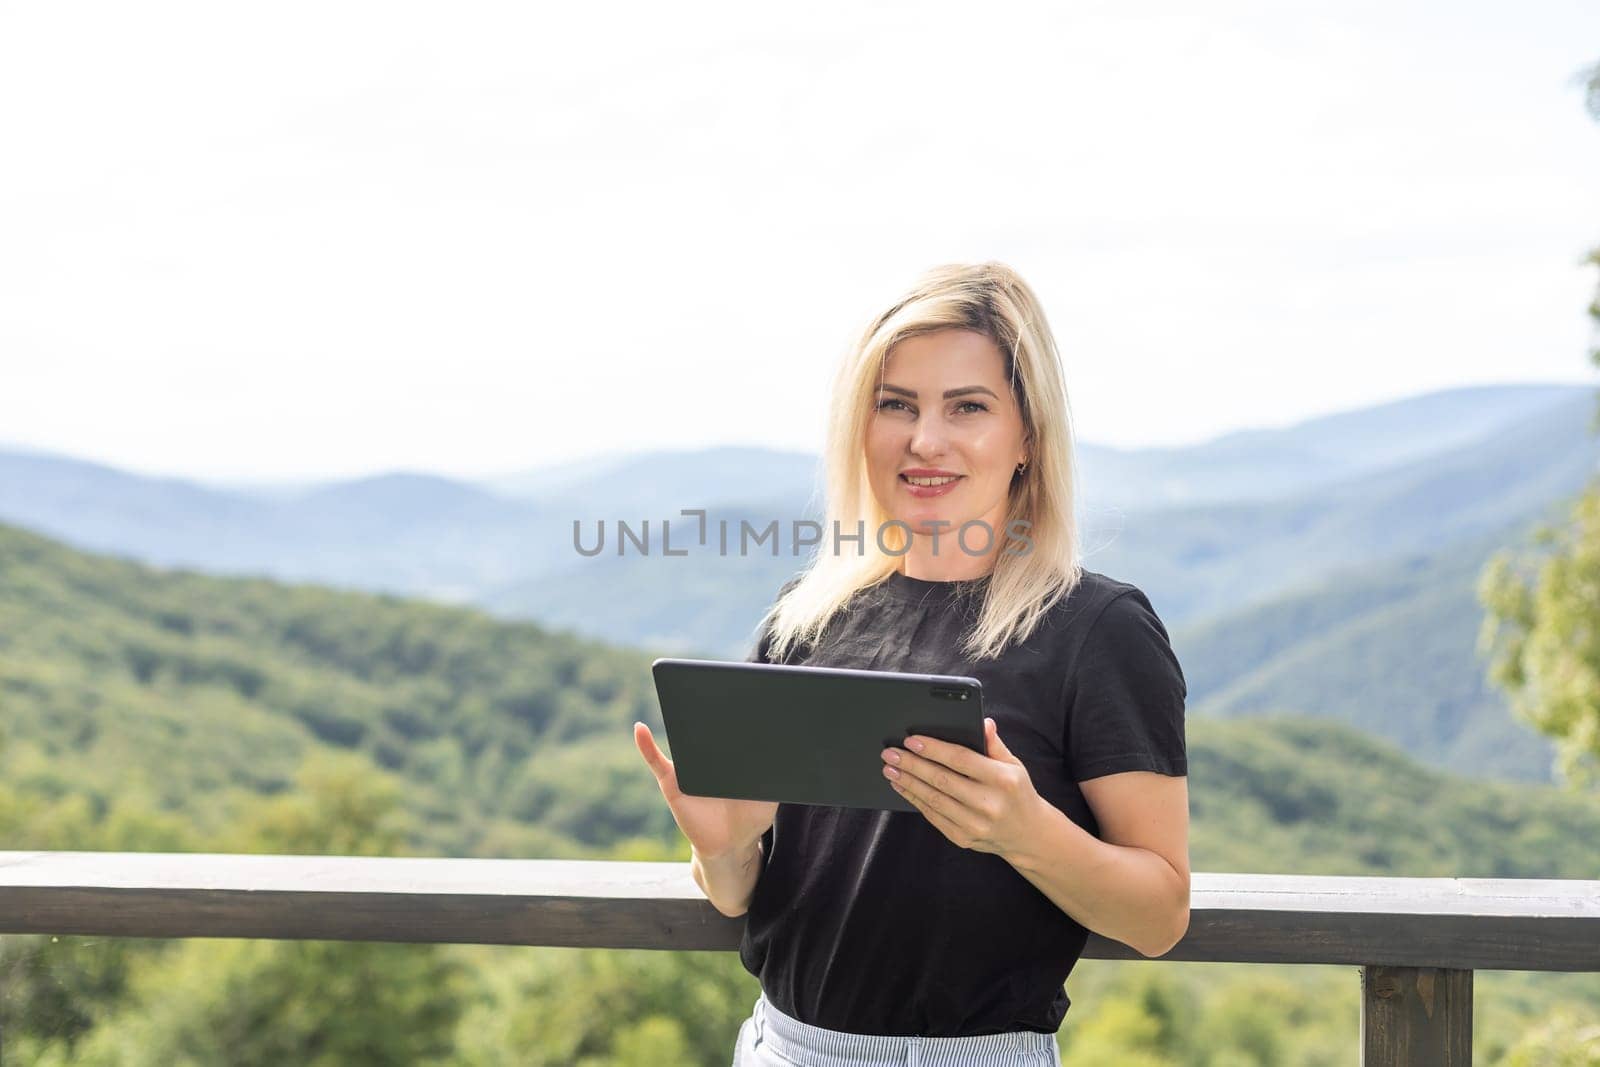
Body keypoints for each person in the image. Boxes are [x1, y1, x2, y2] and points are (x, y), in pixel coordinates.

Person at [634, 261, 1190, 1066]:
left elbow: (1160, 913)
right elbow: (737, 895)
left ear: (1027, 435)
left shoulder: (1096, 628)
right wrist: (724, 847)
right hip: (778, 1048)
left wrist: (1026, 833)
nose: (925, 440)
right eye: (897, 405)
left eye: (967, 407)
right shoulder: (807, 616)